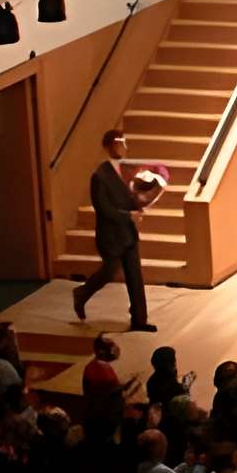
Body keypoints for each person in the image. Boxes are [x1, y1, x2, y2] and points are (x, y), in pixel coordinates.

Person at [75, 129, 162, 332]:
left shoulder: (126, 171)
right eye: (120, 142)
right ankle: (82, 294)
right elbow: (103, 208)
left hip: (127, 233)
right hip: (111, 235)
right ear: (108, 146)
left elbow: (129, 197)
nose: (124, 146)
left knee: (135, 276)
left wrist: (140, 202)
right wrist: (127, 215)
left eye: (124, 142)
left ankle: (139, 319)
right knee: (108, 272)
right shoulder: (99, 175)